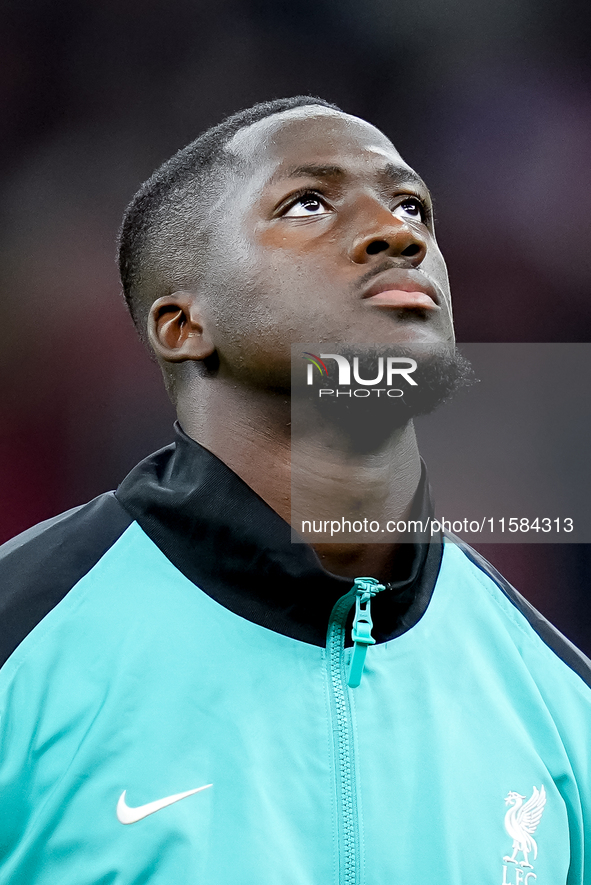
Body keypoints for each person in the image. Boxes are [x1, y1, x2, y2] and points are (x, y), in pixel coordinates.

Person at [0, 96, 589, 885]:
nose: (398, 232)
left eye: (411, 204)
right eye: (308, 202)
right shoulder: (22, 643)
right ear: (183, 324)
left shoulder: (558, 701)